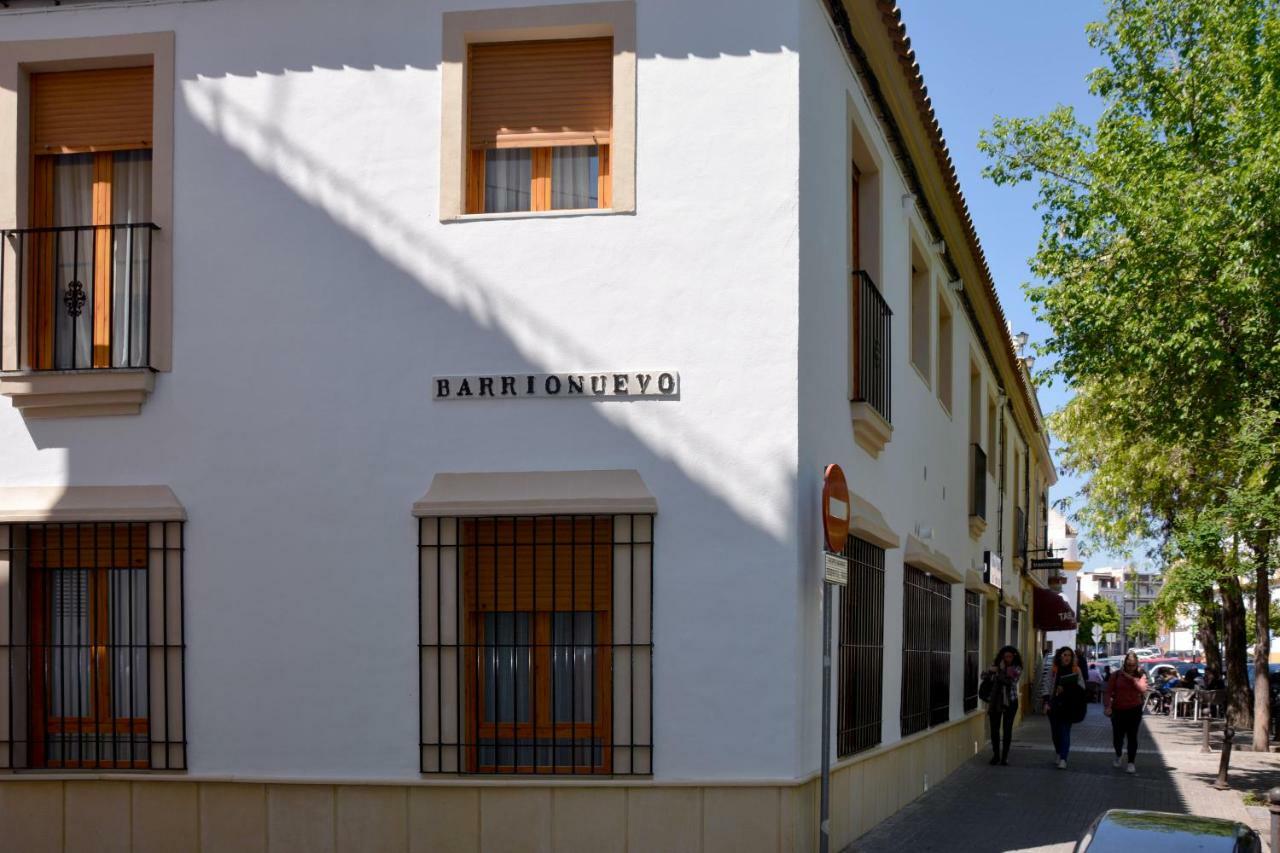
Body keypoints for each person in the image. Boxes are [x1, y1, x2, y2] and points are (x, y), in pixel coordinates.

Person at [1104, 651, 1148, 774]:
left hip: (1134, 709)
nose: (1130, 667)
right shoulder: (1116, 675)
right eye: (1128, 665)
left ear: (1136, 664)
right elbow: (1108, 691)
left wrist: (1131, 678)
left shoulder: (1140, 675)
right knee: (1117, 737)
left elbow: (1143, 689)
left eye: (1133, 665)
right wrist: (1108, 706)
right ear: (1124, 663)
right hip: (1118, 710)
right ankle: (1118, 754)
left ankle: (1131, 762)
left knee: (1132, 736)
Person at [1042, 646, 1085, 769]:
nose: (1067, 657)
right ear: (1060, 656)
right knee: (1055, 733)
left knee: (1065, 732)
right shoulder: (1054, 670)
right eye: (1064, 655)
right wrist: (1046, 702)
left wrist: (1067, 688)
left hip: (1069, 705)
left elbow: (1082, 688)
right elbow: (1046, 685)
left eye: (1069, 655)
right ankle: (1059, 751)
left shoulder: (1076, 670)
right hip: (1054, 705)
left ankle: (1063, 758)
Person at [984, 645, 1022, 766]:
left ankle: (1004, 757)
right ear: (1001, 656)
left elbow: (1010, 682)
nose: (1007, 659)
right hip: (995, 701)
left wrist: (1000, 671)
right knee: (994, 729)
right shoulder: (996, 665)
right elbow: (983, 676)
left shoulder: (1016, 668)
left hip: (1010, 702)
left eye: (1010, 656)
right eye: (1005, 656)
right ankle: (996, 755)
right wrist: (990, 671)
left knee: (1007, 729)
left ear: (1014, 657)